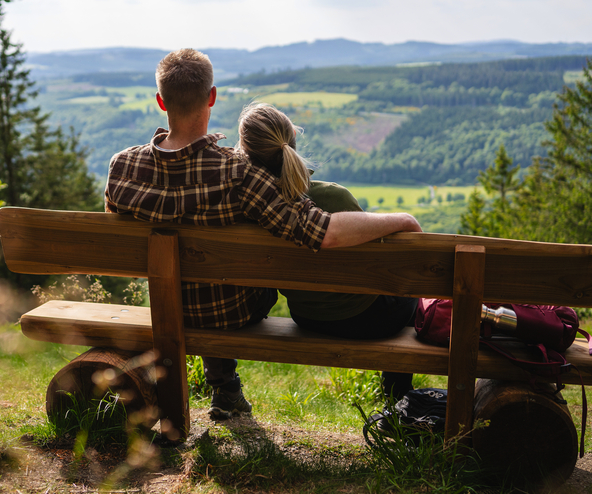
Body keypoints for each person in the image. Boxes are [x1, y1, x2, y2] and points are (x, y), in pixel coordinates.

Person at [106, 48, 421, 420]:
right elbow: (321, 231)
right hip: (231, 312)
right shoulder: (239, 174)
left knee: (195, 280)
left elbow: (114, 220)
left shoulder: (122, 167)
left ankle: (224, 388)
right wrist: (402, 220)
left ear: (161, 101)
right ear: (211, 97)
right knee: (221, 283)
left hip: (166, 305)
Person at [236, 102, 418, 398]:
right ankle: (397, 397)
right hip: (369, 320)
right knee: (410, 293)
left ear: (245, 152)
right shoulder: (332, 197)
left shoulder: (246, 206)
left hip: (306, 316)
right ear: (293, 138)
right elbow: (381, 263)